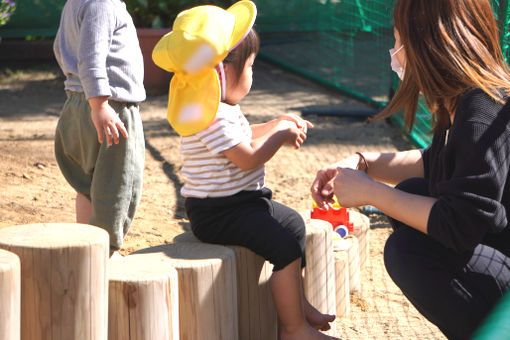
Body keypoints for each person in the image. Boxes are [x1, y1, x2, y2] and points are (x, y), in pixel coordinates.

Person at [312, 0, 510, 338]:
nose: (394, 52)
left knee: (407, 252)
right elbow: (435, 162)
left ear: (426, 44)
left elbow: (458, 224)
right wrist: (365, 163)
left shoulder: (481, 111)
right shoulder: (465, 99)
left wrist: (371, 192)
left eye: (397, 39)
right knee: (411, 193)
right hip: (496, 248)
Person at [152, 2, 338, 339]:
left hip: (244, 203)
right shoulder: (211, 116)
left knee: (294, 225)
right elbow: (247, 158)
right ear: (222, 70)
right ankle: (293, 329)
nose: (252, 75)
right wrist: (280, 136)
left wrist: (276, 123)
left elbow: (245, 137)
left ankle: (299, 305)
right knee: (282, 247)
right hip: (220, 213)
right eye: (250, 66)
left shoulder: (218, 108)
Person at [53, 0, 146, 256]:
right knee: (115, 187)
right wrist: (99, 105)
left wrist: (82, 95)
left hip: (77, 103)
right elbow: (91, 56)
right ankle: (104, 256)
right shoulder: (103, 4)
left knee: (88, 186)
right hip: (109, 108)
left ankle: (86, 253)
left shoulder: (75, 3)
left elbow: (60, 49)